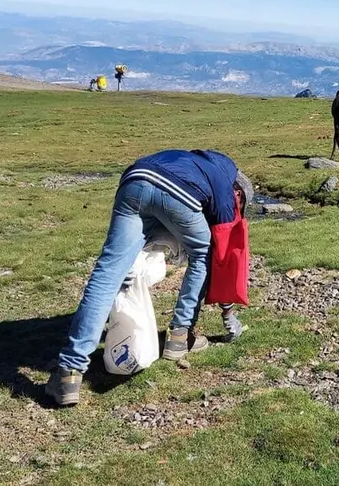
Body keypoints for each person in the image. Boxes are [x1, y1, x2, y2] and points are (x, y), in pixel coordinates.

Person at [45, 149, 253, 406]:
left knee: (108, 272)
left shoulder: (203, 164)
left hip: (135, 181)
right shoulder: (226, 183)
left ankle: (70, 372)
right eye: (241, 207)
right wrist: (228, 314)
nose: (237, 211)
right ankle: (180, 337)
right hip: (178, 192)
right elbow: (223, 259)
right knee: (204, 255)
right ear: (239, 193)